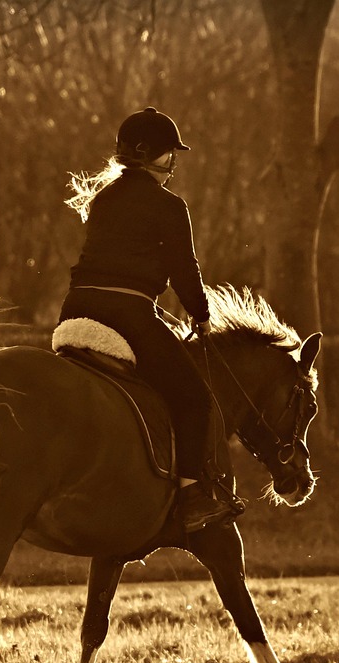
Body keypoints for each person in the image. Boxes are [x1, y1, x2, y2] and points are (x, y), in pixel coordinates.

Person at [59, 107, 242, 533]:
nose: (173, 162)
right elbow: (185, 272)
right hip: (128, 316)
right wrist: (201, 315)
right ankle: (192, 496)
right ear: (150, 155)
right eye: (169, 154)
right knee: (196, 400)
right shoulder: (169, 205)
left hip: (74, 311)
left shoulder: (102, 199)